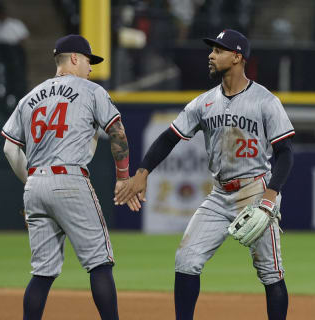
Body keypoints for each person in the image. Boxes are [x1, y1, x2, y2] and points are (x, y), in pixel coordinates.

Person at [114, 29, 294, 320]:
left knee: (270, 271)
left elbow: (285, 153)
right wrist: (142, 172)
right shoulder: (203, 102)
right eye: (212, 50)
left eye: (219, 50)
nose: (211, 55)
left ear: (237, 57)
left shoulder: (265, 101)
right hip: (220, 193)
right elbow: (169, 137)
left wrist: (270, 197)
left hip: (255, 191)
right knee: (186, 259)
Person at [1, 34, 138, 320]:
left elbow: (9, 147)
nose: (91, 68)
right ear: (74, 58)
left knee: (42, 272)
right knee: (100, 264)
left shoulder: (29, 97)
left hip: (36, 183)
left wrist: (34, 183)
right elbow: (117, 131)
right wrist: (124, 177)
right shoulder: (90, 90)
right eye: (89, 60)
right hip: (70, 179)